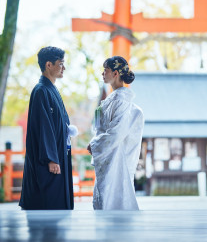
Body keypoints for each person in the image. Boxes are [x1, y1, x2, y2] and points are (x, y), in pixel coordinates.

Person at [19, 46, 74, 210]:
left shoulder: (51, 89)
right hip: (49, 159)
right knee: (48, 202)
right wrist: (51, 158)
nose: (63, 68)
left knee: (56, 200)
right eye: (61, 63)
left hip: (58, 152)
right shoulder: (41, 90)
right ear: (48, 65)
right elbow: (44, 127)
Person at [87, 56, 144, 210]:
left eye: (106, 70)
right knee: (106, 195)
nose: (103, 74)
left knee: (114, 195)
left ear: (116, 73)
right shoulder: (112, 99)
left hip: (116, 155)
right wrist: (96, 141)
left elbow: (117, 132)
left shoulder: (121, 100)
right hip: (108, 154)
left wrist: (95, 144)